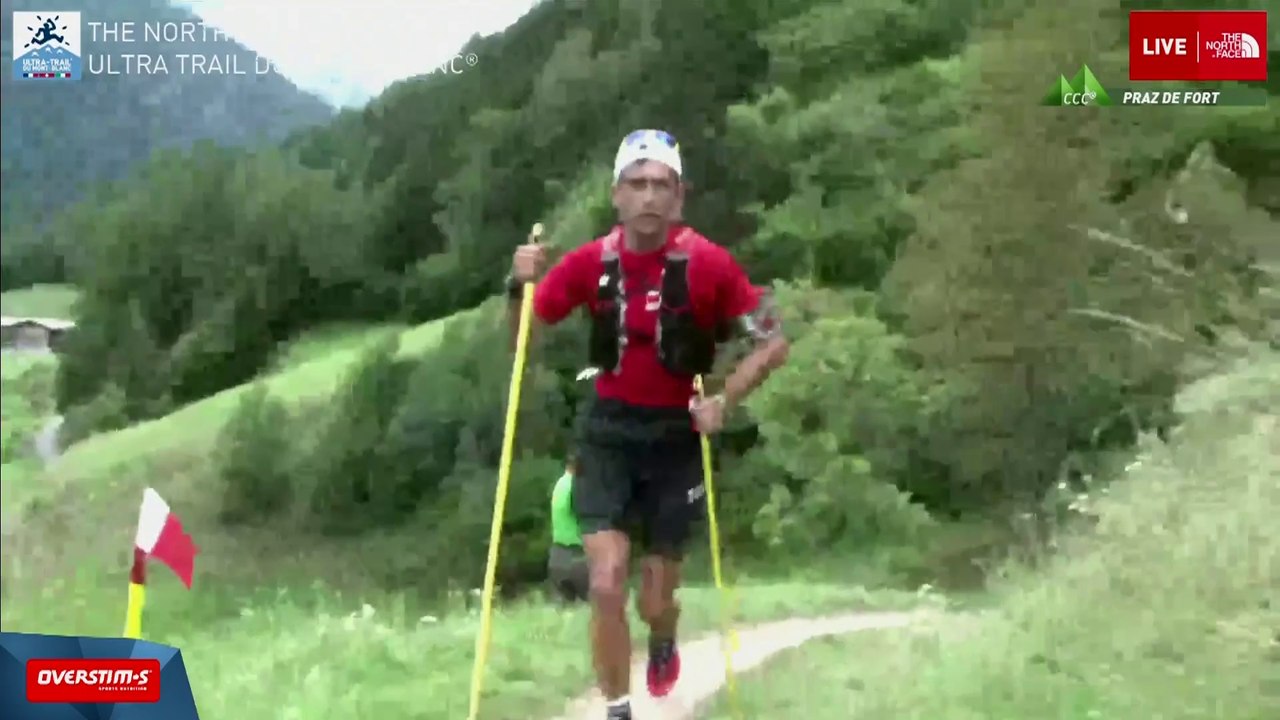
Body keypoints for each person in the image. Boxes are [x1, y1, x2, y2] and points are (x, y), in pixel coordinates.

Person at [507, 128, 788, 720]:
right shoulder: (590, 262)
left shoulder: (710, 263)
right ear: (617, 194)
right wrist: (517, 288)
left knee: (657, 597)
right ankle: (617, 708)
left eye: (661, 185)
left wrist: (724, 401)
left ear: (679, 198)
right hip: (607, 432)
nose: (649, 197)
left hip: (674, 439)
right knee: (606, 581)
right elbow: (522, 346)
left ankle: (662, 637)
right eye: (637, 184)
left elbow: (772, 339)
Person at [547, 455, 589, 604]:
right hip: (578, 555)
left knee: (565, 610)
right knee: (595, 610)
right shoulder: (577, 487)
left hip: (557, 556)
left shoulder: (560, 484)